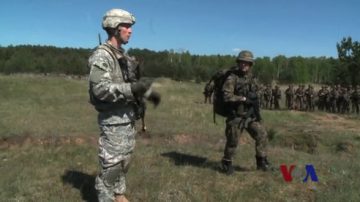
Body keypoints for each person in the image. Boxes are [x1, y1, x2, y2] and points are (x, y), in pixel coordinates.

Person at [88, 8, 160, 202]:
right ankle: (105, 197)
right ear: (114, 28)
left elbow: (131, 83)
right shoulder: (102, 56)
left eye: (130, 27)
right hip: (113, 122)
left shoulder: (123, 56)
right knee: (111, 168)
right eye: (126, 26)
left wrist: (148, 94)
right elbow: (100, 89)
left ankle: (119, 195)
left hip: (127, 119)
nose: (130, 30)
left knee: (124, 162)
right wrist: (133, 89)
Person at [220, 50, 272, 175]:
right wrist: (242, 98)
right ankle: (226, 163)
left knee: (262, 134)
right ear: (239, 63)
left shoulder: (252, 78)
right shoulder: (232, 78)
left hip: (249, 116)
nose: (244, 65)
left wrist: (255, 96)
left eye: (247, 63)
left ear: (250, 64)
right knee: (233, 141)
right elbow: (226, 96)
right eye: (242, 62)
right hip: (236, 116)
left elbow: (258, 91)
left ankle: (261, 161)